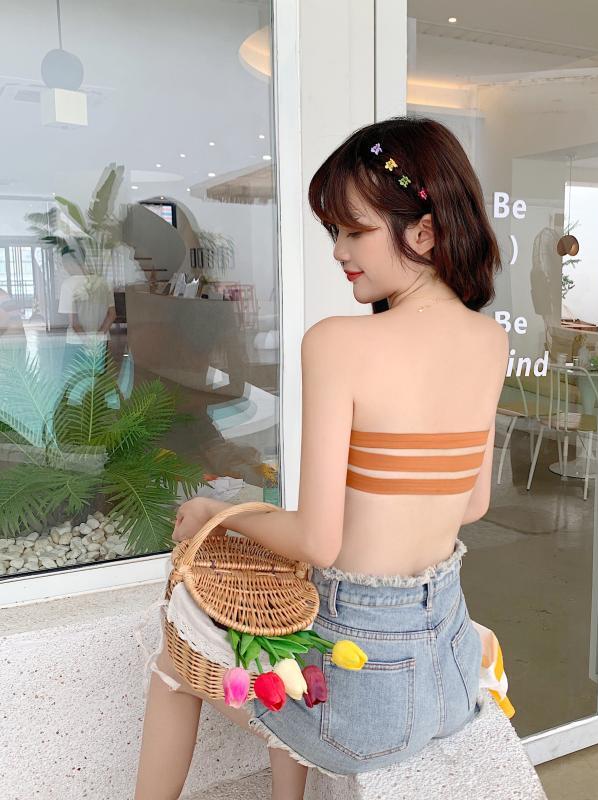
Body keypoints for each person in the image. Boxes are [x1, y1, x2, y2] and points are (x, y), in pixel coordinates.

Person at [134, 116, 509, 800]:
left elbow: (317, 540)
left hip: (361, 693)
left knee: (175, 661)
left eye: (353, 230)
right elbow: (474, 503)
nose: (339, 250)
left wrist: (217, 513)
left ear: (423, 233)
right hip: (450, 675)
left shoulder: (338, 342)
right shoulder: (489, 339)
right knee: (293, 644)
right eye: (334, 231)